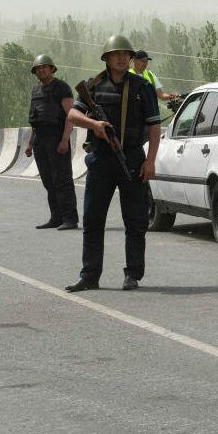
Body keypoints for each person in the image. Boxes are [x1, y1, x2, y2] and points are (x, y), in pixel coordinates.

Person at [65, 35, 161, 292]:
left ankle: (133, 274)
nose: (121, 58)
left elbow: (154, 126)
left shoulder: (142, 87)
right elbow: (73, 114)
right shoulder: (93, 85)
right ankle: (89, 275)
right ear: (106, 57)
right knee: (93, 220)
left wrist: (150, 161)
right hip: (101, 159)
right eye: (116, 54)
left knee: (135, 220)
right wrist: (94, 124)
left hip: (131, 158)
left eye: (125, 54)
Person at [24, 54, 79, 230]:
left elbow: (70, 116)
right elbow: (36, 119)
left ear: (51, 69)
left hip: (57, 139)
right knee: (48, 180)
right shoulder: (35, 91)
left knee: (62, 179)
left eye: (44, 67)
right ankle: (56, 217)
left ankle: (70, 219)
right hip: (40, 140)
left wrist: (64, 140)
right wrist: (30, 143)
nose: (41, 70)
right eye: (38, 69)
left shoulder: (61, 87)